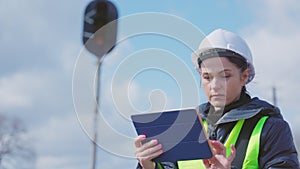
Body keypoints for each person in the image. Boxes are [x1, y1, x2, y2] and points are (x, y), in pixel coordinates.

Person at [134, 29, 299, 169]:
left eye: (225, 76)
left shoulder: (271, 128)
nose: (215, 85)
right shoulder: (184, 128)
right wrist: (150, 166)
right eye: (207, 77)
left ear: (244, 76)